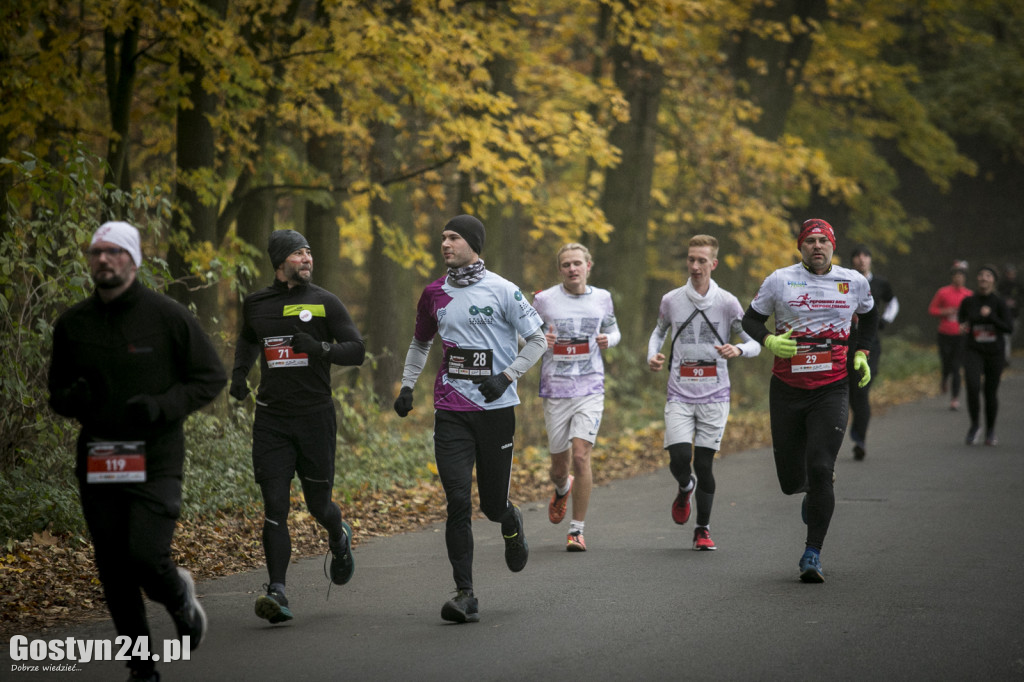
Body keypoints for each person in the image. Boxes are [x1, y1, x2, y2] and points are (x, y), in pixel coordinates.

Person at [48, 221, 226, 682]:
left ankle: (179, 599)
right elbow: (56, 393)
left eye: (113, 252)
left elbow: (210, 377)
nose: (103, 259)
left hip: (156, 456)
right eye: (96, 252)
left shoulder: (166, 316)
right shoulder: (73, 324)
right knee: (113, 568)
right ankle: (141, 669)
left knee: (145, 556)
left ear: (133, 259)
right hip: (99, 457)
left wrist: (162, 406)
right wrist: (74, 400)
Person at [393, 214, 545, 624]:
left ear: (473, 243)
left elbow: (539, 339)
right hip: (451, 412)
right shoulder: (433, 293)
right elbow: (420, 342)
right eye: (442, 237)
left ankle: (510, 521)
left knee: (492, 505)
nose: (445, 244)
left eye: (454, 237)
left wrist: (507, 375)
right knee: (458, 501)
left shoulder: (503, 290)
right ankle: (465, 593)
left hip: (496, 411)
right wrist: (407, 386)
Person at [230, 229, 365, 625]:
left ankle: (338, 536)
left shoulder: (324, 302)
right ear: (280, 262)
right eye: (298, 253)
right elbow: (247, 339)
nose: (307, 259)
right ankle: (277, 591)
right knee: (275, 506)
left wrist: (320, 348)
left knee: (318, 505)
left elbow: (356, 350)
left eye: (309, 252)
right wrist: (240, 374)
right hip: (271, 418)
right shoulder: (256, 303)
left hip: (314, 417)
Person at [742, 218, 876, 583]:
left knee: (820, 468)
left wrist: (861, 352)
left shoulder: (854, 282)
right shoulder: (779, 280)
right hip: (786, 389)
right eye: (810, 241)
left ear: (833, 245)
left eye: (823, 240)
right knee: (791, 480)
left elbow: (869, 318)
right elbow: (749, 321)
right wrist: (768, 340)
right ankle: (812, 490)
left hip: (832, 387)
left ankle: (812, 553)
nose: (817, 246)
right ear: (800, 247)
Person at [647, 235, 760, 551]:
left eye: (701, 260)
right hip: (680, 393)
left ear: (714, 263)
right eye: (691, 259)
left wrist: (737, 349)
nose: (695, 266)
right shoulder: (671, 300)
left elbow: (755, 341)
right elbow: (658, 333)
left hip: (715, 395)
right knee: (680, 458)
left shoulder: (727, 302)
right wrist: (652, 356)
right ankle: (685, 487)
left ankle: (702, 529)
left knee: (705, 464)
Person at [532, 243, 620, 552]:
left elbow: (614, 329)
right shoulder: (543, 301)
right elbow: (523, 334)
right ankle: (561, 487)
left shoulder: (602, 298)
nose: (572, 269)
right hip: (555, 390)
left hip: (590, 388)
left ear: (588, 265)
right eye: (566, 264)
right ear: (560, 270)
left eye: (577, 263)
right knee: (559, 466)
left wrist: (610, 339)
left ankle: (576, 530)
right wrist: (540, 338)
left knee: (581, 455)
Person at [845, 245, 899, 460]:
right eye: (857, 256)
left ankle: (860, 439)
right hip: (844, 343)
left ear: (870, 260)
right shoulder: (843, 281)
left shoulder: (880, 283)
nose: (861, 259)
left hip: (869, 345)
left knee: (861, 392)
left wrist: (885, 319)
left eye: (865, 255)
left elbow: (893, 301)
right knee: (844, 393)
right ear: (852, 261)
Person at [959, 265, 1012, 446]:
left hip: (994, 353)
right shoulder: (968, 302)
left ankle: (990, 430)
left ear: (993, 280)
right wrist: (963, 326)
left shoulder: (1000, 303)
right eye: (981, 275)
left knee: (990, 392)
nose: (983, 278)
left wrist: (991, 318)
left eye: (988, 275)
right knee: (973, 387)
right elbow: (962, 320)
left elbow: (1008, 328)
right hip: (973, 350)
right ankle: (975, 426)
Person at [928, 261, 972, 410]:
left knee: (956, 366)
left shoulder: (969, 295)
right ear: (952, 277)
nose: (958, 278)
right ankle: (944, 378)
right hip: (944, 334)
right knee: (946, 363)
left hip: (961, 335)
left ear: (964, 278)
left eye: (961, 276)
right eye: (956, 275)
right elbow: (932, 310)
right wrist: (944, 312)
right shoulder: (943, 292)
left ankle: (954, 398)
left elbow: (973, 316)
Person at [997, 263, 1019, 364]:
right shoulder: (1002, 285)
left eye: (1012, 273)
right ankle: (1005, 358)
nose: (1011, 275)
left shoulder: (1018, 286)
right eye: (1009, 273)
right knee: (1005, 337)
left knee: (1011, 335)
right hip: (1004, 315)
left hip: (1014, 315)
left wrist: (1016, 303)